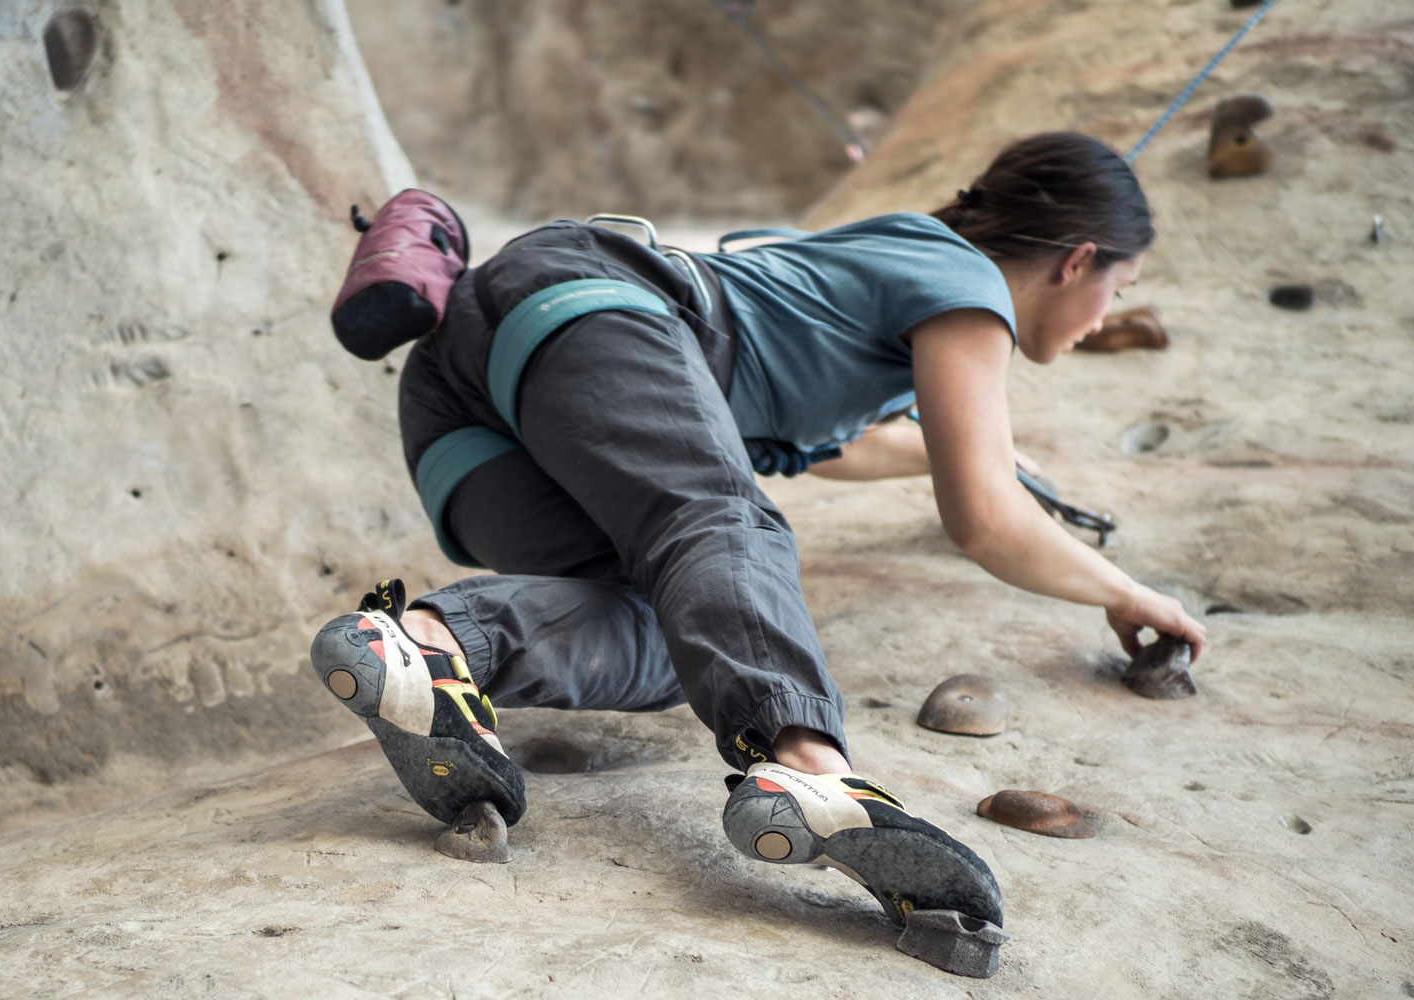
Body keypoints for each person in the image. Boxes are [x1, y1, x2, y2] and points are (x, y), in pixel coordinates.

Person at [308, 132, 1207, 940]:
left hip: (463, 413)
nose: (1100, 323)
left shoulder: (889, 263)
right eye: (1116, 291)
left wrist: (977, 456)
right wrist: (1126, 592)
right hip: (589, 308)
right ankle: (810, 771)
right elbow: (984, 521)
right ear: (1078, 259)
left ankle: (428, 644)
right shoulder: (968, 282)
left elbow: (848, 445)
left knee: (683, 635)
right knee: (722, 526)